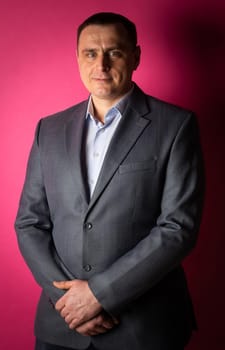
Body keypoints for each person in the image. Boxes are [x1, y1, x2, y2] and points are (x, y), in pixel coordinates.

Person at [15, 12, 204, 350]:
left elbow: (179, 228)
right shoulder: (49, 129)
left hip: (144, 329)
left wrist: (99, 295)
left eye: (114, 52)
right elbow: (30, 223)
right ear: (77, 58)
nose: (100, 64)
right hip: (61, 326)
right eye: (90, 53)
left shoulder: (176, 126)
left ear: (135, 56)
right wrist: (71, 303)